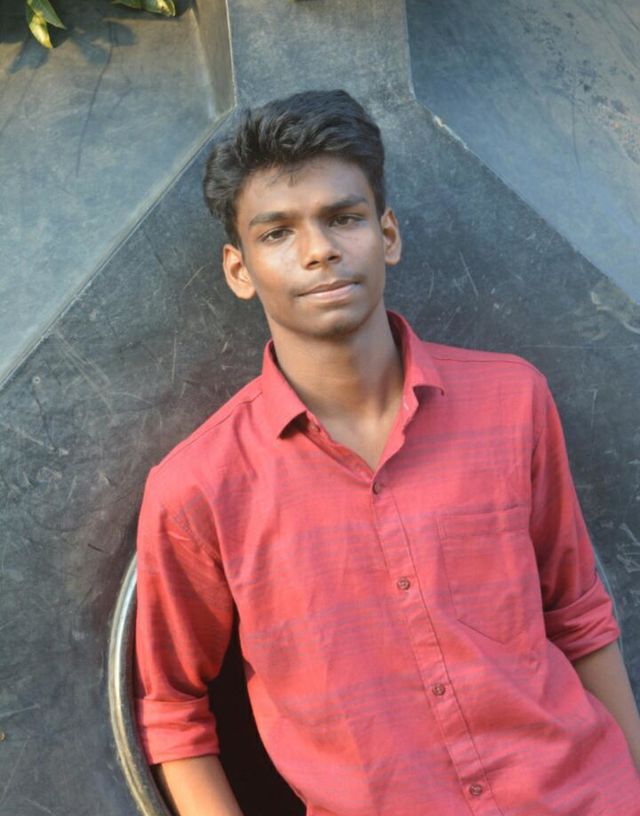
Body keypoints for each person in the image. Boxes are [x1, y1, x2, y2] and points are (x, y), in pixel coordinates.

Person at [134, 89, 640, 816]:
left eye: (343, 218)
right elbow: (171, 708)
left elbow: (578, 613)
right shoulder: (198, 487)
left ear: (388, 234)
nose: (319, 250)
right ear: (239, 270)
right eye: (277, 232)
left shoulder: (512, 400)